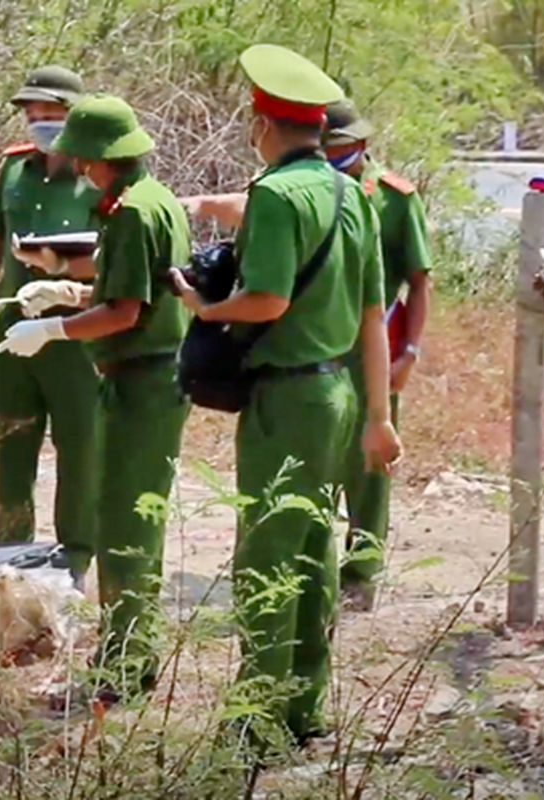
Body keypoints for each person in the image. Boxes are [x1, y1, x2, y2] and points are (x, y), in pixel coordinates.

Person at [169, 45, 401, 743]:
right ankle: (305, 707)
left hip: (287, 398)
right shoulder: (351, 195)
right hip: (336, 395)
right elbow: (371, 317)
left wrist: (204, 309)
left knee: (267, 553)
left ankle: (256, 717)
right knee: (310, 551)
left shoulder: (275, 195)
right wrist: (380, 417)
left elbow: (265, 300)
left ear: (262, 122)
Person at [0, 94, 192, 697]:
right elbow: (128, 290)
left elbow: (126, 311)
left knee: (125, 525)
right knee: (130, 520)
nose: (78, 168)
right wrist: (63, 294)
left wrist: (52, 329)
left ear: (100, 158)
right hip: (150, 375)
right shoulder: (155, 200)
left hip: (144, 379)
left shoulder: (133, 212)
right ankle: (132, 656)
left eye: (83, 157)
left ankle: (125, 667)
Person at [0, 66, 101, 591]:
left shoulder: (101, 176)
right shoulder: (15, 172)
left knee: (81, 449)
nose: (41, 124)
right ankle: (10, 557)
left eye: (52, 115)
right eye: (32, 115)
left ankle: (76, 560)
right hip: (15, 329)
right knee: (11, 443)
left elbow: (121, 256)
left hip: (79, 330)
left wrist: (65, 277)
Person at [323, 99, 433, 611]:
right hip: (318, 346)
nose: (332, 155)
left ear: (360, 145)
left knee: (371, 469)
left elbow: (419, 279)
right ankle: (313, 568)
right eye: (324, 147)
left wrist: (410, 350)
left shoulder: (393, 198)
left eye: (339, 147)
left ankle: (361, 572)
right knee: (318, 459)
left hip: (376, 347)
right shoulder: (311, 189)